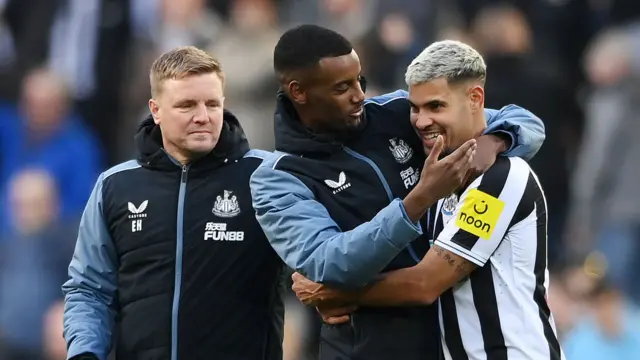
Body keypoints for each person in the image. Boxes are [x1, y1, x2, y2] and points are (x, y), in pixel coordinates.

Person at [250, 25, 545, 360]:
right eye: (342, 88)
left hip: (442, 340)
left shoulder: (397, 114)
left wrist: (495, 140)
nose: (359, 95)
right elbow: (329, 263)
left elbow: (520, 121)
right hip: (365, 349)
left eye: (359, 80)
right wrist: (417, 200)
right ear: (298, 92)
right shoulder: (278, 178)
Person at [62, 46, 284, 360]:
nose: (202, 117)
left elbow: (314, 259)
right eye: (186, 105)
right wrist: (84, 352)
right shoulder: (115, 186)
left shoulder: (266, 176)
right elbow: (89, 288)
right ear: (156, 110)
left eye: (212, 104)